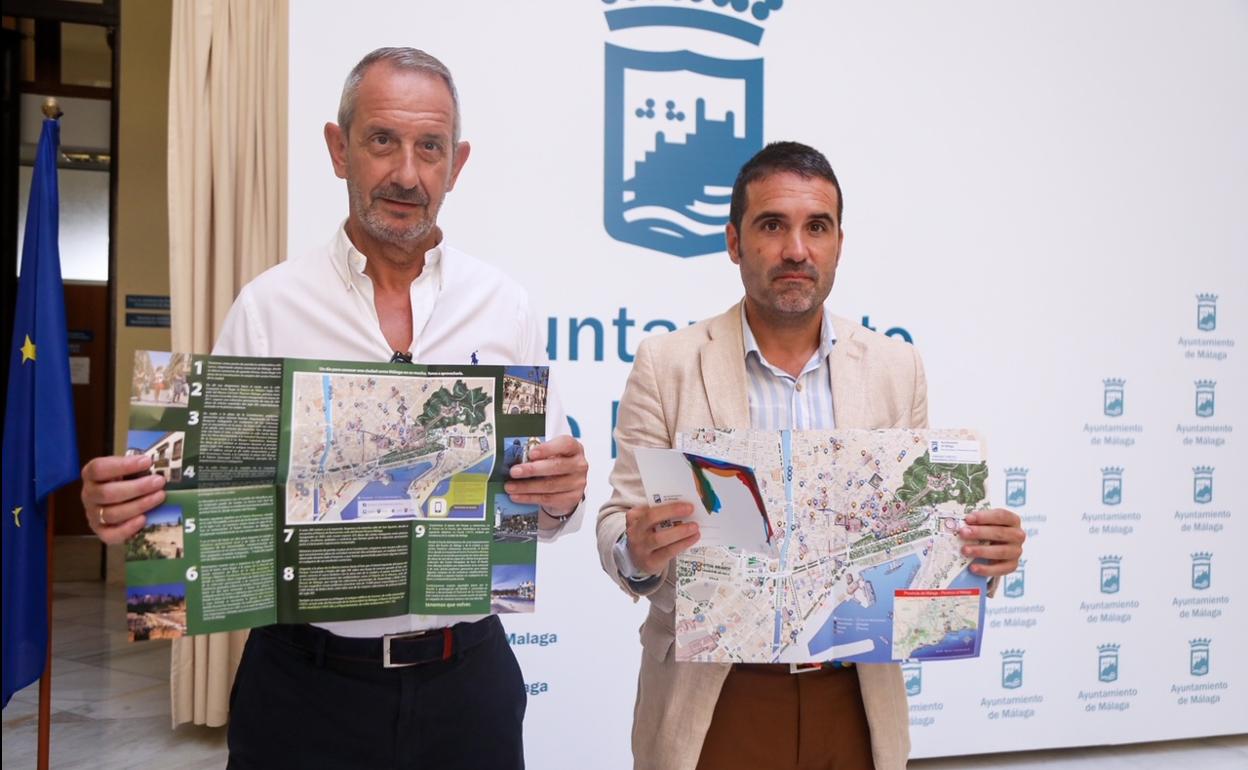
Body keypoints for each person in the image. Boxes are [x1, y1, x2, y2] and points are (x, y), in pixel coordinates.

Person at [81, 47, 588, 769]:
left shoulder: (505, 307)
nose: (407, 173)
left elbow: (542, 511)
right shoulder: (269, 306)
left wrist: (562, 497)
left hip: (468, 687)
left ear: (457, 164)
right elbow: (204, 506)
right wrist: (129, 509)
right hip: (303, 690)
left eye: (430, 147)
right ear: (338, 148)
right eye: (382, 139)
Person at [596, 142, 1025, 770]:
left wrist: (981, 558)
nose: (797, 250)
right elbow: (617, 525)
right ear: (734, 242)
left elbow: (918, 542)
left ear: (838, 244)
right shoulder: (668, 365)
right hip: (714, 700)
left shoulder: (895, 368)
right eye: (772, 225)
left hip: (854, 699)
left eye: (817, 227)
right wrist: (635, 550)